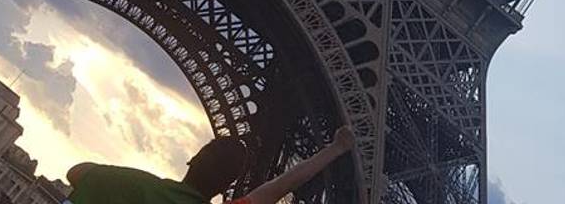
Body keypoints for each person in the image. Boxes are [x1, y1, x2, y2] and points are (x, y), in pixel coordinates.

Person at [66, 125, 355, 204]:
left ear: (193, 159)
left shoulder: (127, 183)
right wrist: (336, 148)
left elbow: (77, 172)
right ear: (225, 187)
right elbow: (279, 187)